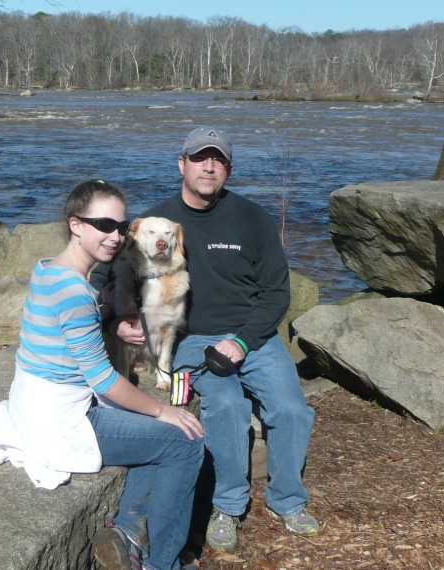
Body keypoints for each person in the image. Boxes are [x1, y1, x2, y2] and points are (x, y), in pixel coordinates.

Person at [98, 128, 319, 554]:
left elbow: (277, 293)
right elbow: (111, 276)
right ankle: (228, 505)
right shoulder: (155, 223)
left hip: (252, 336)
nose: (209, 166)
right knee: (226, 404)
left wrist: (243, 341)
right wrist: (114, 323)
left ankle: (288, 500)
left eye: (218, 160)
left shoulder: (252, 218)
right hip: (191, 339)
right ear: (182, 164)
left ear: (228, 169)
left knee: (292, 408)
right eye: (200, 157)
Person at [0, 179, 205, 570]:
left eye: (121, 226)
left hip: (33, 401)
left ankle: (129, 531)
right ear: (76, 225)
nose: (115, 236)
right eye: (103, 224)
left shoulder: (49, 270)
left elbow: (68, 326)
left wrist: (109, 318)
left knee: (155, 435)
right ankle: (162, 563)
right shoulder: (75, 290)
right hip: (60, 418)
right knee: (183, 442)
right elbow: (103, 381)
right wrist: (161, 410)